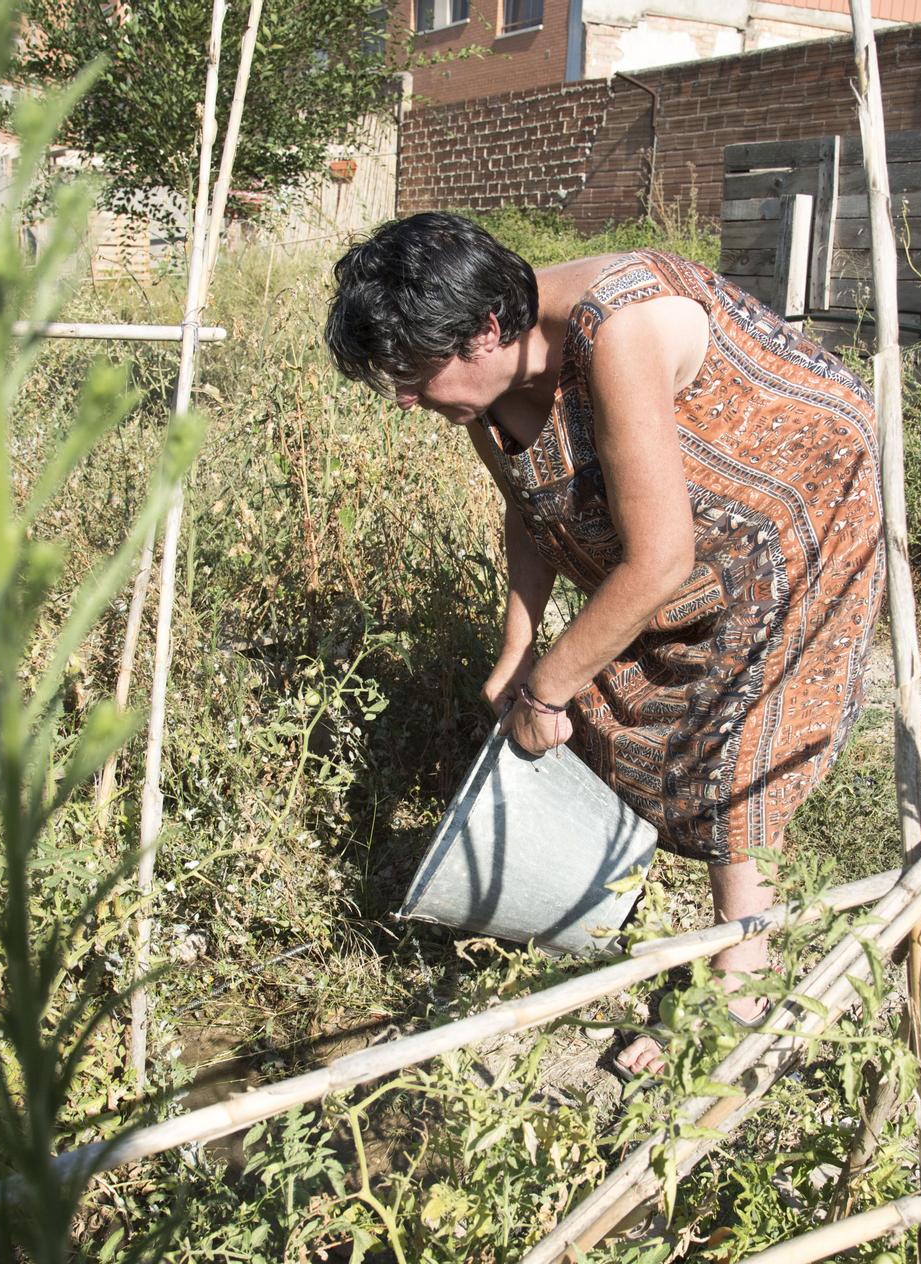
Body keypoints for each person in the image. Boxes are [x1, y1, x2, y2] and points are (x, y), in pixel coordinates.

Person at [325, 212, 885, 1074]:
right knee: (616, 692)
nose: (404, 399)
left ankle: (743, 977)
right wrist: (519, 649)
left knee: (735, 727)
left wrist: (547, 688)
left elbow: (659, 559)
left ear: (485, 331)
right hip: (691, 522)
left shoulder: (619, 328)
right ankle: (631, 896)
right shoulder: (488, 382)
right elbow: (530, 501)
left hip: (801, 494)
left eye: (411, 375)